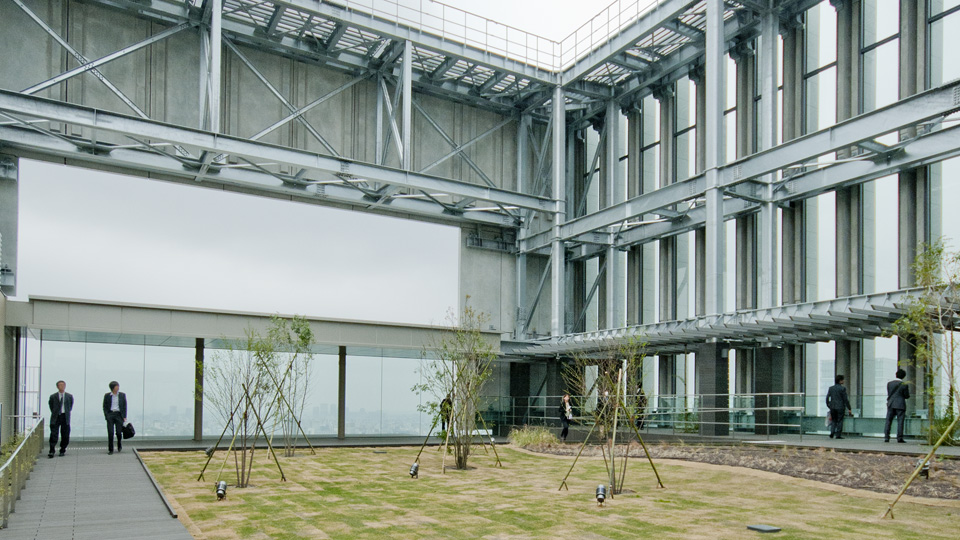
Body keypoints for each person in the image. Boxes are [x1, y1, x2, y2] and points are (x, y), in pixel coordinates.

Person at [48, 380, 74, 458]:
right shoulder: (53, 396)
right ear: (57, 386)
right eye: (60, 385)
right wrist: (56, 412)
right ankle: (52, 450)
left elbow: (70, 406)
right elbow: (51, 406)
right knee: (54, 434)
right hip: (56, 417)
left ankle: (62, 450)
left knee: (65, 434)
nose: (62, 386)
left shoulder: (69, 396)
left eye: (63, 385)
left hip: (65, 416)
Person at [884, 368, 910, 443]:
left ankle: (886, 437)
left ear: (896, 375)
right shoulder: (904, 385)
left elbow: (889, 393)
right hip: (900, 404)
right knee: (900, 421)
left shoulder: (889, 384)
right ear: (903, 376)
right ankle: (899, 438)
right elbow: (906, 396)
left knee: (888, 421)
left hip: (891, 404)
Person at [102, 381, 127, 455]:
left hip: (119, 414)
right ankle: (111, 449)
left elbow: (124, 406)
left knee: (119, 432)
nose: (118, 388)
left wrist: (124, 416)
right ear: (112, 388)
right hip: (110, 414)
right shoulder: (107, 396)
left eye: (118, 386)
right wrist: (106, 415)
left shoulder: (122, 395)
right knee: (110, 432)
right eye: (116, 386)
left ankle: (119, 444)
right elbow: (104, 406)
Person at [825, 374, 853, 439]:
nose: (844, 381)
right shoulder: (842, 389)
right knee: (840, 420)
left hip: (832, 407)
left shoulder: (831, 388)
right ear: (840, 381)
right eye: (843, 380)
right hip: (840, 407)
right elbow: (845, 399)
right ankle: (838, 435)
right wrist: (849, 408)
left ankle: (832, 433)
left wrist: (829, 405)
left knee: (834, 420)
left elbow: (827, 398)